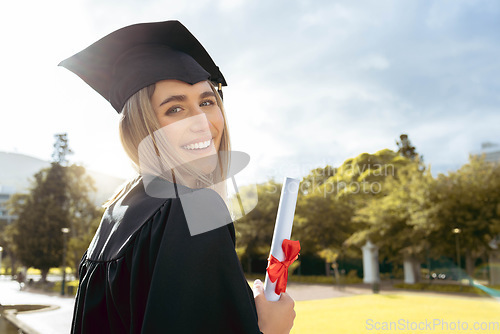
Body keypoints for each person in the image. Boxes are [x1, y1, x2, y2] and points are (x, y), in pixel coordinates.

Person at [59, 20, 295, 333]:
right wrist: (270, 330)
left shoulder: (119, 211)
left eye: (207, 102)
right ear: (143, 125)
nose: (201, 121)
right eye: (175, 109)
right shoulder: (193, 208)